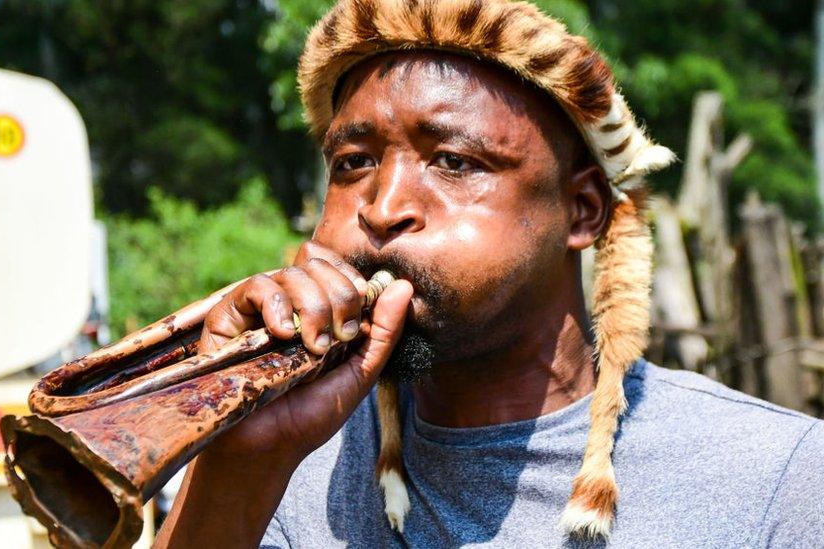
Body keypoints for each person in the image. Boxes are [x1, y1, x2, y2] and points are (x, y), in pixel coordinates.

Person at [157, 1, 824, 546]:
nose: (382, 209)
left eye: (453, 161)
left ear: (581, 210)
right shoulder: (286, 463)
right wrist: (236, 465)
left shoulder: (772, 481)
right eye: (353, 162)